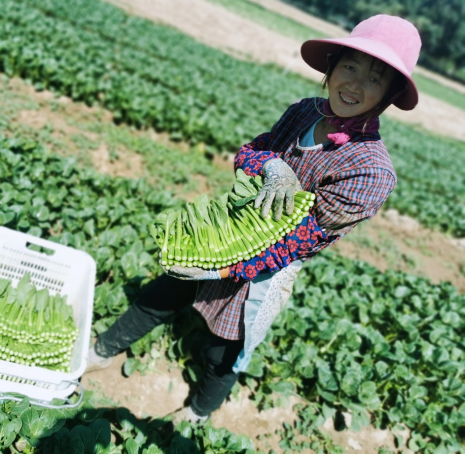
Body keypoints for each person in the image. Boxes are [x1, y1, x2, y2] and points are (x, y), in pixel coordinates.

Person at [86, 14, 422, 423]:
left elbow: (301, 242)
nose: (354, 84)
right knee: (162, 292)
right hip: (229, 226)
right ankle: (100, 351)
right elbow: (251, 152)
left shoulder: (371, 171)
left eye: (375, 78)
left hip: (264, 270)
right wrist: (271, 167)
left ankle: (197, 414)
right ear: (332, 66)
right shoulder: (304, 113)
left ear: (389, 93)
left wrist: (223, 266)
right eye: (349, 66)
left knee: (223, 350)